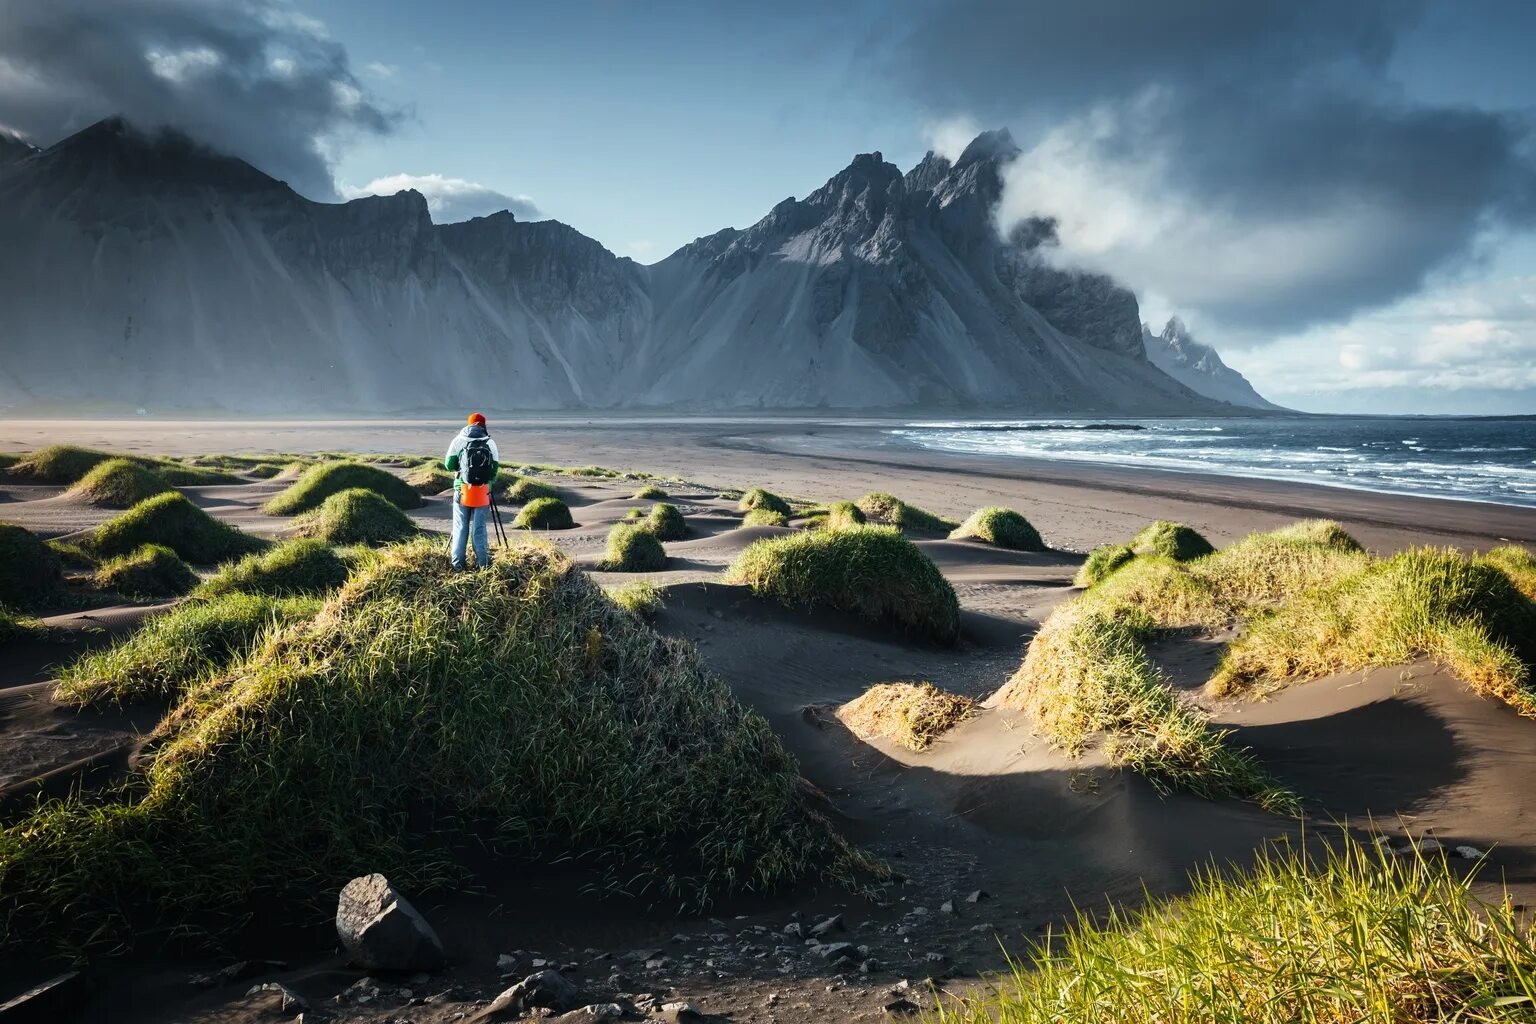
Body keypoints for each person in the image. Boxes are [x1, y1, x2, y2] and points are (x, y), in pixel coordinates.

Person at [443, 412, 501, 569]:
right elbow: (494, 471)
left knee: (461, 528)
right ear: (484, 425)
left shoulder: (458, 439)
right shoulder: (490, 442)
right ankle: (483, 565)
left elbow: (448, 464)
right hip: (483, 493)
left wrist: (462, 469)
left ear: (469, 424)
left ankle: (457, 566)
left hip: (462, 490)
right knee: (479, 529)